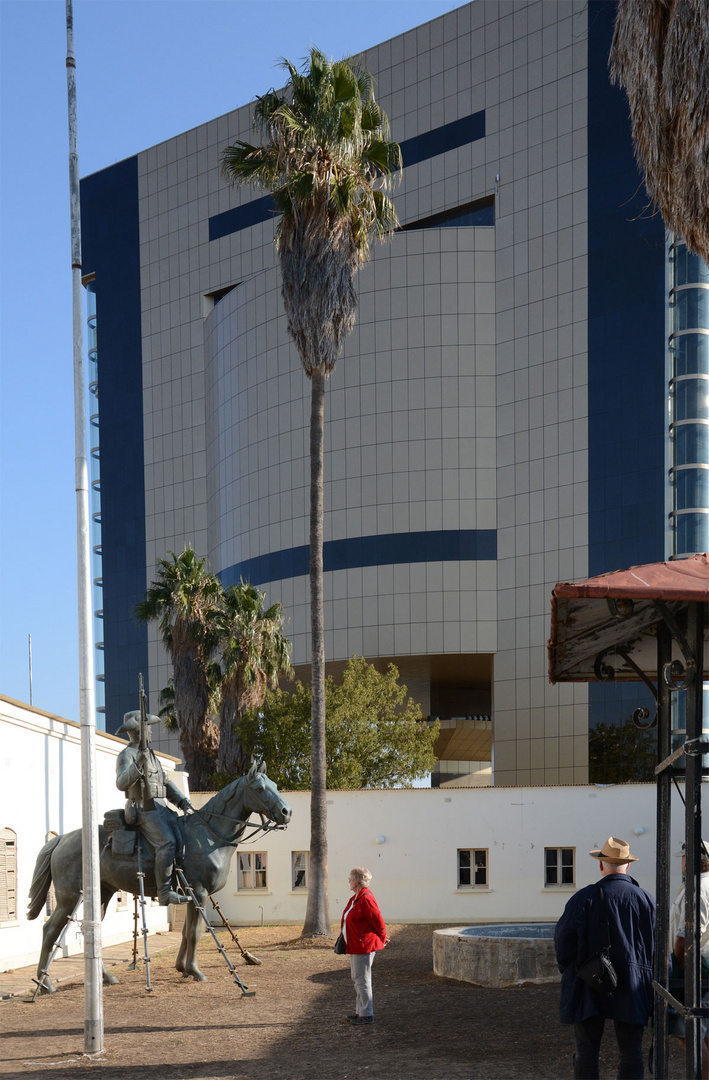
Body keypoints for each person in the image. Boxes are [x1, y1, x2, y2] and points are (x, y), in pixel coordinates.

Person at [554, 836, 655, 1079]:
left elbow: (563, 940)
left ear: (601, 866)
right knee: (631, 1051)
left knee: (586, 1050)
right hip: (634, 982)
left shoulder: (583, 898)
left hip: (589, 980)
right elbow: (657, 944)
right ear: (627, 866)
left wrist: (571, 969)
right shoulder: (646, 900)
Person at [115, 710, 193, 905]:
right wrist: (137, 766)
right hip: (142, 809)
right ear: (139, 730)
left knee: (183, 835)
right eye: (148, 727)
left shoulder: (151, 755)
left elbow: (165, 782)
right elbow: (121, 783)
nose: (151, 731)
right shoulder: (127, 755)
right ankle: (164, 891)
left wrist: (182, 801)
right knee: (166, 842)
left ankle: (178, 880)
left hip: (160, 808)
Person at [668, 841, 709, 1077]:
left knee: (689, 1034)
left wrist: (677, 966)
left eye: (683, 858)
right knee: (704, 1034)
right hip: (705, 966)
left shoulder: (697, 887)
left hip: (696, 969)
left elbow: (686, 934)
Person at [340, 867, 389, 1025]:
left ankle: (367, 1014)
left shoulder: (366, 898)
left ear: (356, 881)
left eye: (350, 879)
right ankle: (360, 1011)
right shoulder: (356, 898)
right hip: (355, 945)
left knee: (362, 979)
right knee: (357, 979)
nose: (348, 882)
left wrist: (382, 937)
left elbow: (378, 920)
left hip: (364, 945)